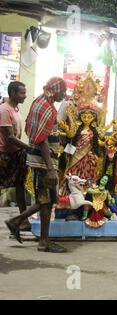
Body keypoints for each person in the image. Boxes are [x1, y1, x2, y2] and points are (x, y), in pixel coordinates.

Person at [5, 77, 68, 253]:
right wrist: (50, 168)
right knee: (46, 200)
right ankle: (43, 241)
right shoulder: (46, 106)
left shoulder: (41, 102)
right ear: (56, 90)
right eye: (63, 91)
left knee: (47, 200)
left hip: (41, 160)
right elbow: (41, 139)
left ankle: (16, 222)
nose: (65, 94)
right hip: (42, 162)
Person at [0, 81, 32, 230]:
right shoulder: (5, 110)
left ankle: (22, 220)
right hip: (4, 155)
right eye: (22, 93)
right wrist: (29, 148)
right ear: (13, 93)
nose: (25, 96)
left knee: (20, 186)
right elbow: (10, 137)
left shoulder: (15, 109)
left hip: (16, 154)